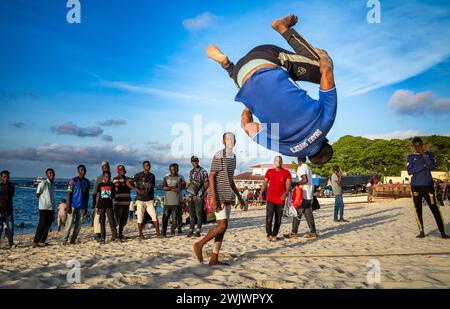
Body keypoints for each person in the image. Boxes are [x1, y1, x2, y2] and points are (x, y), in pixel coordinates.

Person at [207, 14, 336, 164]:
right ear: (309, 157)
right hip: (241, 78)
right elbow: (246, 124)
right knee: (248, 89)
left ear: (326, 142)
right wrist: (252, 104)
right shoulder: (286, 149)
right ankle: (228, 66)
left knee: (318, 67)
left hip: (265, 56)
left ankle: (282, 27)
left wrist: (325, 57)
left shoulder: (327, 122)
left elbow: (326, 72)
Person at [193, 132, 247, 266]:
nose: (230, 141)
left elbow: (230, 179)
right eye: (227, 139)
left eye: (232, 139)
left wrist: (239, 197)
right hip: (218, 195)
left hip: (227, 195)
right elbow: (211, 176)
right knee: (222, 225)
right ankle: (199, 244)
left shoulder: (233, 157)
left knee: (223, 227)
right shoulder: (219, 155)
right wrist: (214, 198)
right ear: (223, 142)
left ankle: (214, 258)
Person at [407, 137, 449, 239]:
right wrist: (422, 167)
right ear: (413, 146)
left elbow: (432, 166)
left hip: (428, 186)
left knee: (435, 208)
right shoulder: (411, 157)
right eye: (415, 146)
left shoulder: (429, 155)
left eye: (419, 145)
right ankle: (421, 232)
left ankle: (442, 232)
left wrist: (424, 155)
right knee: (418, 209)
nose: (417, 148)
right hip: (416, 186)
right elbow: (410, 171)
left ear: (422, 145)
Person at [259, 156, 292, 241]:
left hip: (281, 199)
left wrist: (286, 193)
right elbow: (265, 183)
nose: (279, 162)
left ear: (282, 162)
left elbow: (288, 184)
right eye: (277, 161)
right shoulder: (269, 171)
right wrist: (261, 193)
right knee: (269, 217)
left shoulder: (286, 172)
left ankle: (274, 234)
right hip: (270, 198)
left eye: (280, 161)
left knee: (278, 218)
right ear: (274, 162)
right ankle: (269, 234)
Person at [284, 157, 318, 239]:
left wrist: (295, 183)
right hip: (309, 195)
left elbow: (304, 180)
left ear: (298, 160)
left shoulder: (301, 167)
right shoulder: (308, 167)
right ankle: (313, 232)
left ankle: (294, 232)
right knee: (308, 215)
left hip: (302, 195)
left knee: (297, 214)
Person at [127, 161, 161, 239]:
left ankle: (158, 234)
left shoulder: (152, 176)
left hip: (150, 200)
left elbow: (153, 187)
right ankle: (140, 234)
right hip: (140, 200)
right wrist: (136, 189)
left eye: (149, 165)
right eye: (146, 165)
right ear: (143, 166)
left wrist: (153, 198)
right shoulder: (138, 175)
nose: (148, 167)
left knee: (155, 217)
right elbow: (128, 182)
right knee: (140, 218)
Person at [63, 165, 90, 245]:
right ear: (78, 171)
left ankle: (73, 240)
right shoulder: (73, 180)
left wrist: (86, 207)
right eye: (81, 169)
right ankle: (65, 239)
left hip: (82, 206)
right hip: (73, 206)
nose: (83, 171)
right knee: (69, 223)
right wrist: (68, 205)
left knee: (78, 225)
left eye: (84, 169)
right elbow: (69, 193)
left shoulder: (87, 181)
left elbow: (87, 195)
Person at [33, 168, 56, 247]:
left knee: (48, 225)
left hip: (51, 208)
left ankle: (42, 241)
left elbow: (51, 197)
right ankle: (36, 242)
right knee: (42, 224)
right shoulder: (43, 183)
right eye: (50, 173)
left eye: (52, 173)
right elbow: (37, 194)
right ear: (47, 175)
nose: (51, 174)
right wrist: (43, 201)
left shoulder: (52, 184)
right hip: (43, 208)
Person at [187, 155, 209, 237]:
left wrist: (201, 192)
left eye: (196, 161)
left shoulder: (203, 171)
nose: (195, 162)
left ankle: (198, 231)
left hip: (199, 195)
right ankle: (190, 230)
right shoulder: (191, 172)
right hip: (191, 195)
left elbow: (207, 183)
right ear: (191, 162)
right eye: (193, 161)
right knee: (191, 214)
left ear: (198, 161)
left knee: (199, 214)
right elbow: (191, 183)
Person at [162, 164, 186, 237]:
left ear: (177, 169)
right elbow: (164, 187)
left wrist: (169, 187)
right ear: (169, 169)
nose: (173, 171)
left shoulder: (180, 177)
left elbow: (180, 188)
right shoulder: (166, 177)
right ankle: (163, 233)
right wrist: (173, 187)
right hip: (167, 202)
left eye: (175, 169)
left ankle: (175, 231)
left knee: (176, 218)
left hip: (177, 201)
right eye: (172, 169)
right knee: (165, 218)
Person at [96, 171, 118, 243]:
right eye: (106, 176)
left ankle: (114, 236)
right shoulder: (100, 185)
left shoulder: (112, 185)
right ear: (103, 177)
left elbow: (114, 196)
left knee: (111, 221)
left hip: (109, 205)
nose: (107, 178)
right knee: (102, 222)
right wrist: (97, 207)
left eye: (108, 177)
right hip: (101, 206)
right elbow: (98, 196)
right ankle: (103, 238)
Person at [113, 165, 133, 240]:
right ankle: (114, 235)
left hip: (126, 203)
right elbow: (116, 188)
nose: (123, 171)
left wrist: (128, 182)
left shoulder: (127, 179)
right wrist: (125, 183)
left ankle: (120, 235)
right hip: (118, 203)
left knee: (123, 220)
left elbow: (132, 185)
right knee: (117, 220)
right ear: (118, 171)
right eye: (121, 170)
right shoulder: (115, 179)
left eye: (123, 170)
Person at [92, 161, 111, 242]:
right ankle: (97, 234)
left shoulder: (110, 177)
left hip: (108, 202)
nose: (105, 168)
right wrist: (94, 203)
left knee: (104, 219)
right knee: (97, 218)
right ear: (102, 168)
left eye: (106, 166)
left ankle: (101, 234)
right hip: (99, 201)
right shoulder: (99, 178)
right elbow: (94, 191)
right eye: (104, 167)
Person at [0, 170, 15, 249]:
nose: (6, 178)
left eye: (7, 177)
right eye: (4, 177)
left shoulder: (11, 186)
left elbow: (11, 195)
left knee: (11, 228)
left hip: (9, 210)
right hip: (0, 210)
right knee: (0, 228)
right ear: (1, 177)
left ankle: (11, 243)